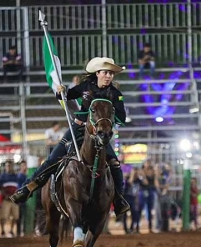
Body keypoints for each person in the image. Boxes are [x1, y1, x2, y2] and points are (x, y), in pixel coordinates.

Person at [10, 57, 130, 216]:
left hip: (100, 135)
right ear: (98, 73)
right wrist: (61, 91)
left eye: (111, 73)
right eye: (106, 72)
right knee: (53, 159)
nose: (109, 76)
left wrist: (106, 121)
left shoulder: (116, 94)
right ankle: (27, 188)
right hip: (78, 129)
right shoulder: (86, 86)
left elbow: (121, 117)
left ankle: (119, 199)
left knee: (114, 163)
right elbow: (66, 96)